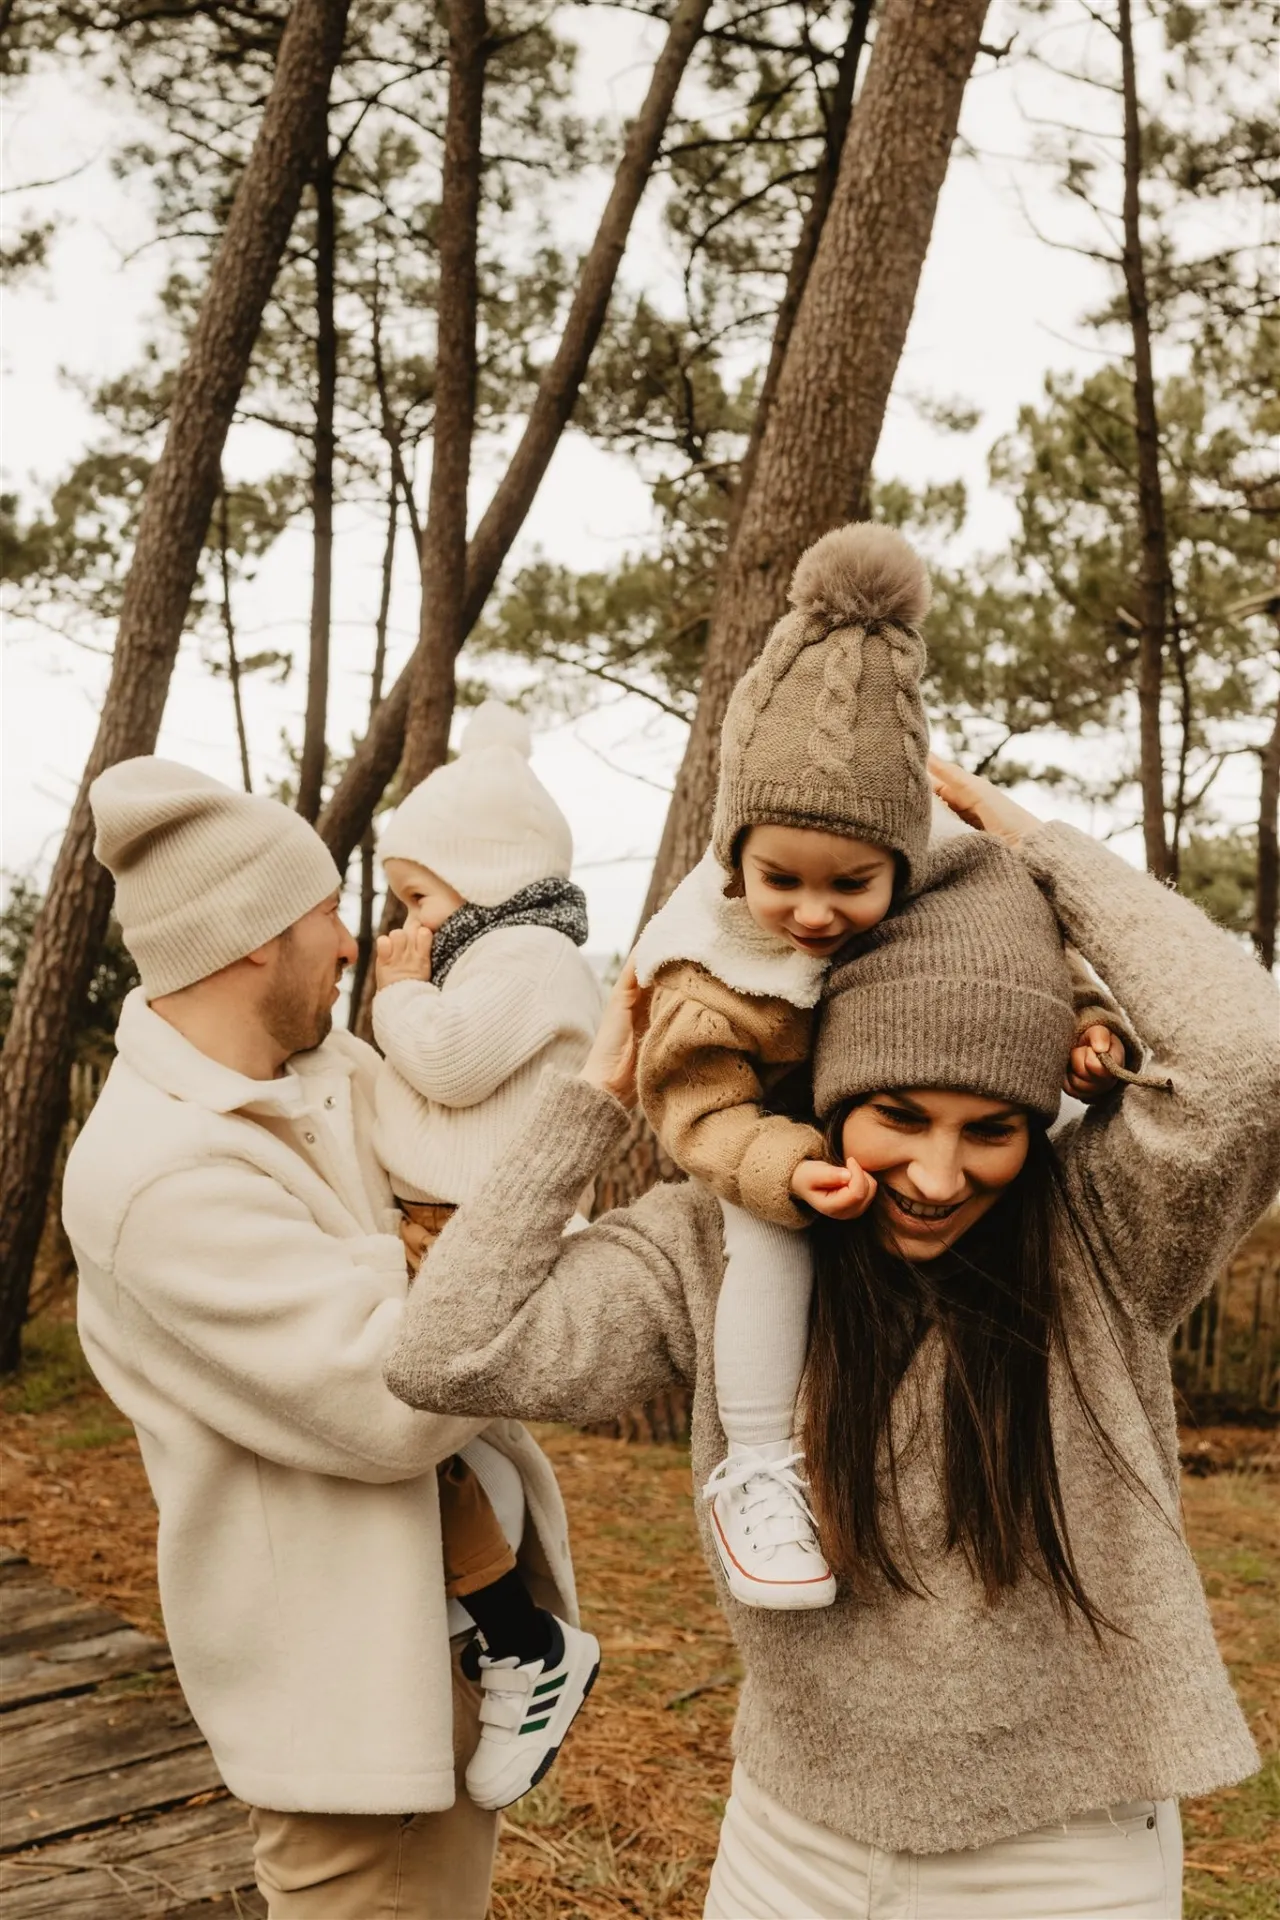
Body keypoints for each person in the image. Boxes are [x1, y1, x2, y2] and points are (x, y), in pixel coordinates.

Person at [384, 757, 1280, 1919]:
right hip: (789, 1843)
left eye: (990, 1129)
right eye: (898, 1116)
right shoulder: (712, 1250)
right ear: (828, 1094)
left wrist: (1034, 847)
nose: (939, 1173)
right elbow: (446, 1353)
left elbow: (1249, 1064)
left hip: (1062, 1859)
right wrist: (595, 1094)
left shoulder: (1104, 1231)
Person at [61, 757, 580, 1920]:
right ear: (250, 939)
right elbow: (393, 1399)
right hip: (350, 1688)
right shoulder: (156, 1177)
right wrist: (488, 1236)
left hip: (435, 1633)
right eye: (326, 914)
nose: (354, 946)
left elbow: (450, 1217)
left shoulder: (324, 1075)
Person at [634, 521, 1133, 1611]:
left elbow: (1021, 977)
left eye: (849, 883)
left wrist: (1088, 1028)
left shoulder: (953, 896)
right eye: (781, 880)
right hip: (779, 1144)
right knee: (769, 1239)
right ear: (734, 857)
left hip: (892, 1120)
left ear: (900, 862)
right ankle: (759, 1459)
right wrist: (773, 1163)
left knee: (1027, 1144)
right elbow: (689, 1103)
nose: (812, 913)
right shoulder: (713, 960)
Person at [371, 698, 604, 1809]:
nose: (406, 917)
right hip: (436, 1220)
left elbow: (453, 1066)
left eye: (418, 894)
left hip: (473, 1234)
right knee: (409, 1428)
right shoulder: (498, 951)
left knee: (394, 1418)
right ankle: (495, 1574)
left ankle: (522, 1639)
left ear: (488, 870)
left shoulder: (528, 956)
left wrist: (396, 994)